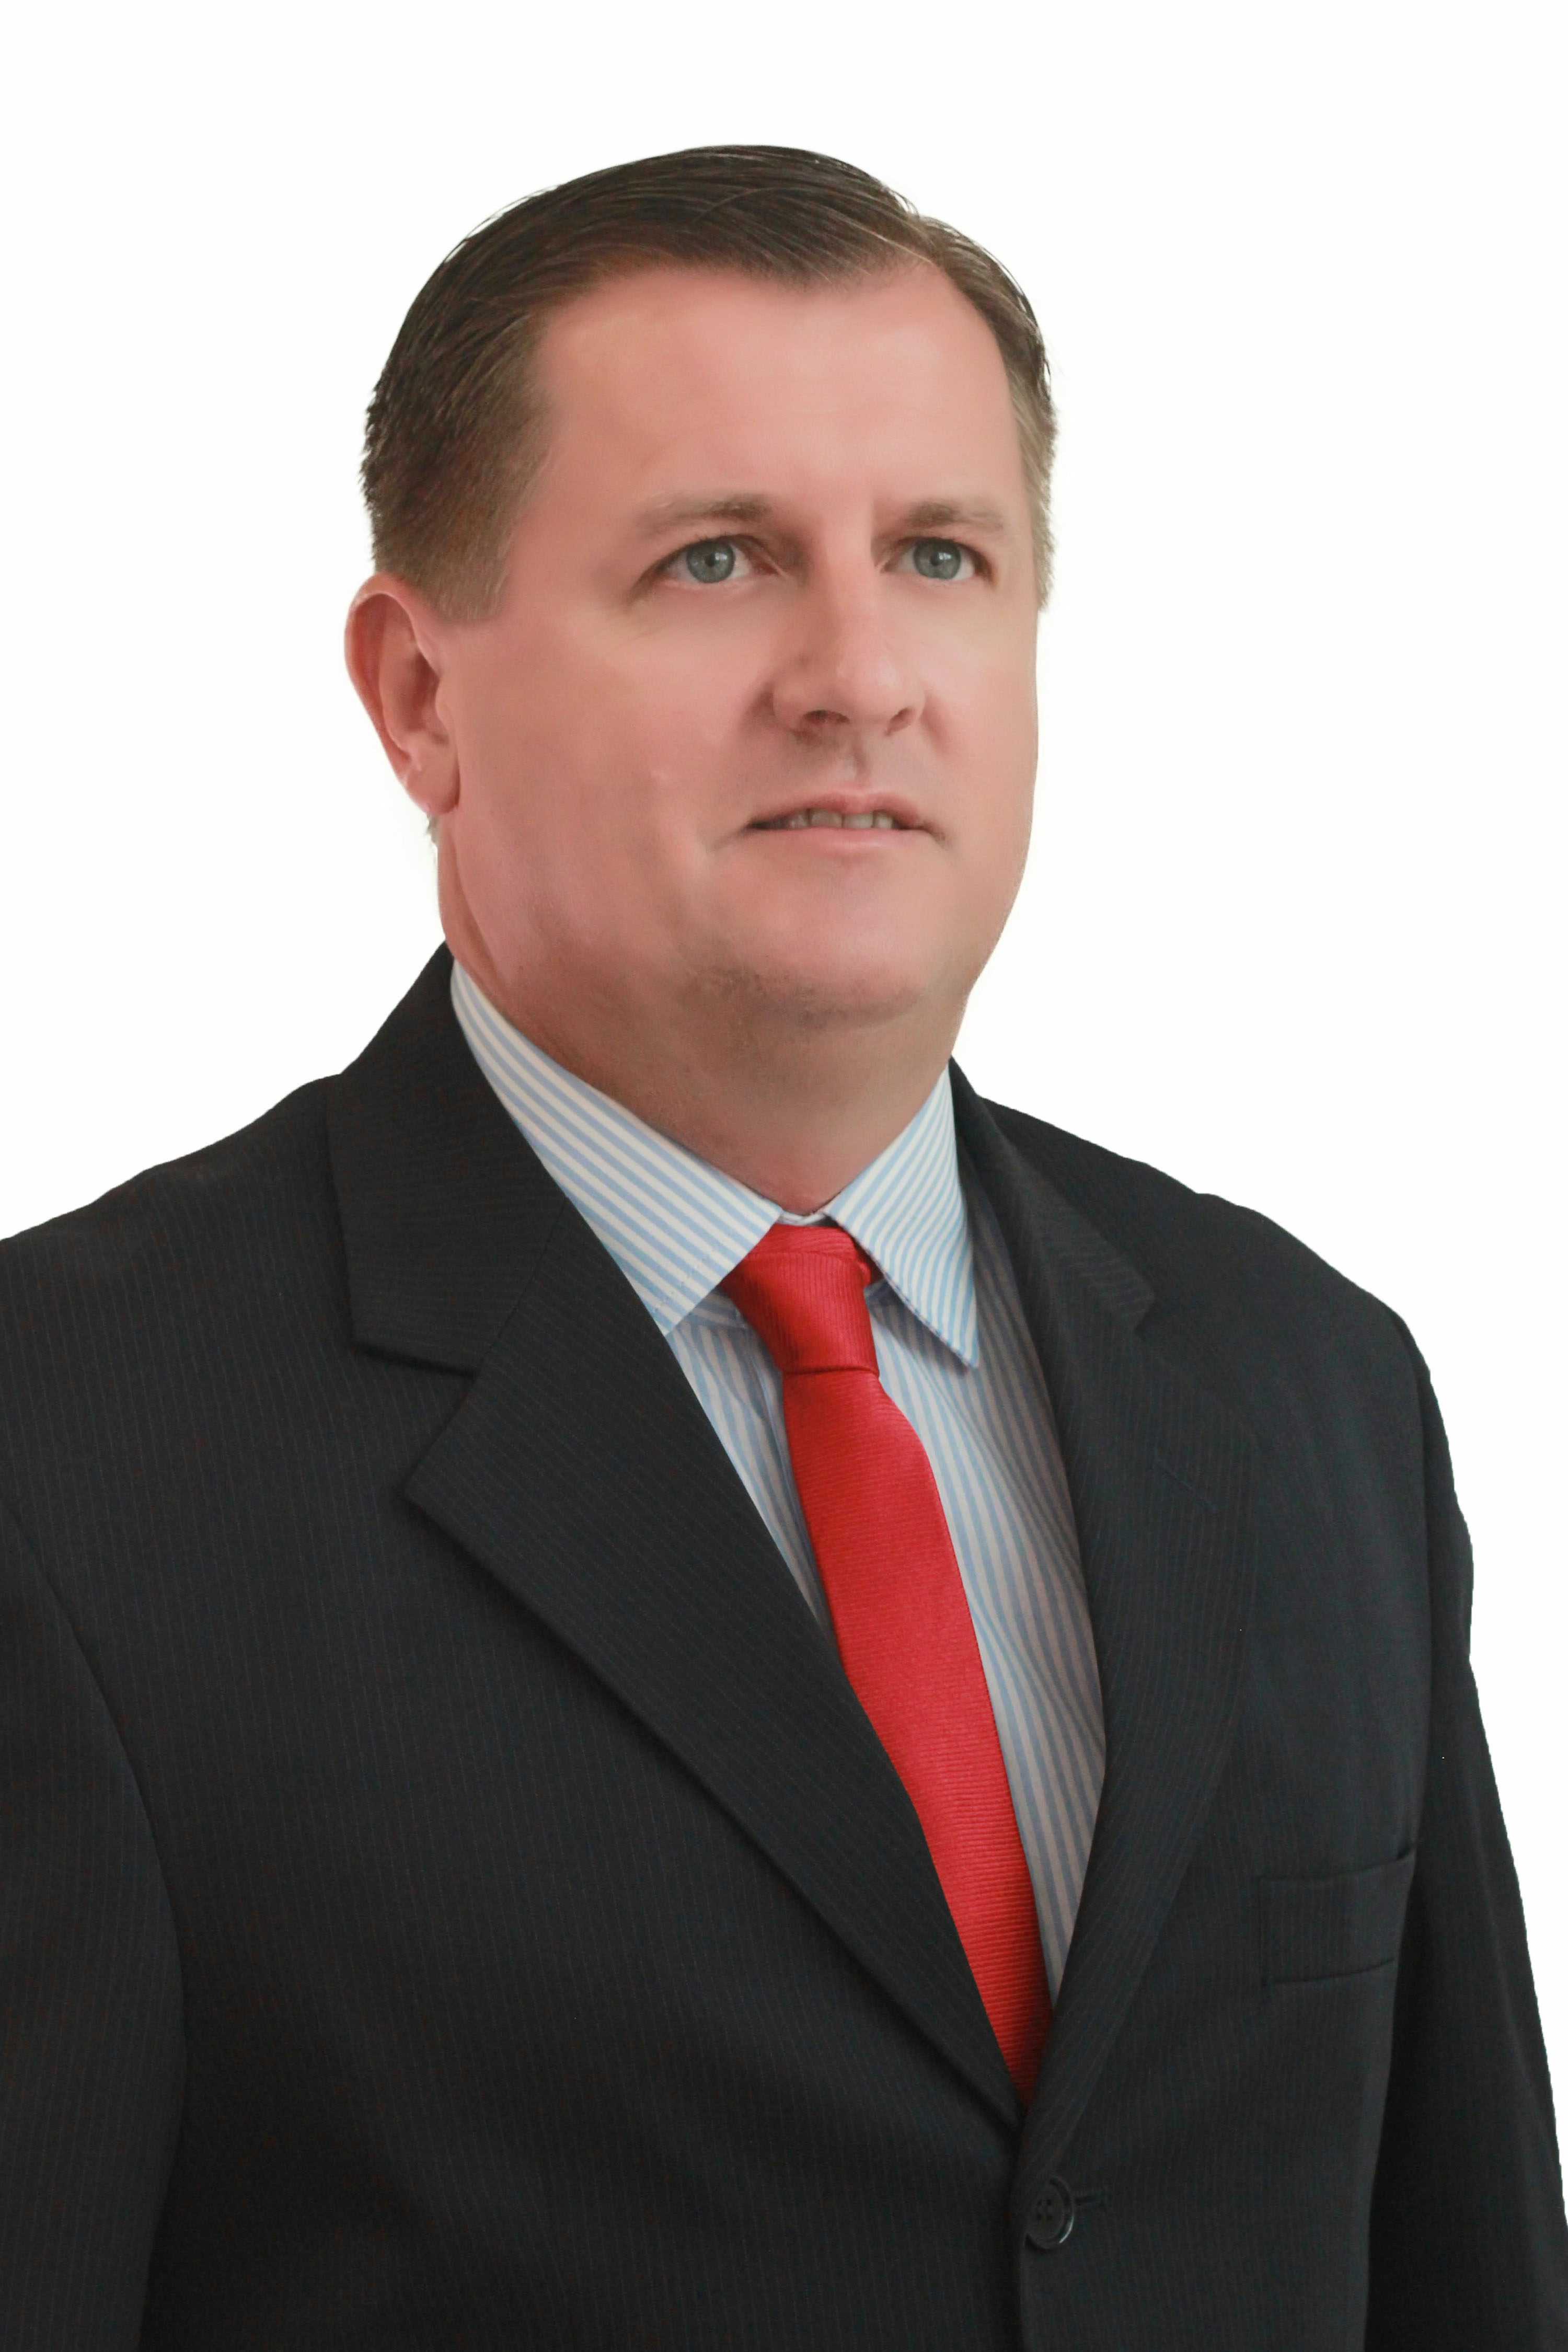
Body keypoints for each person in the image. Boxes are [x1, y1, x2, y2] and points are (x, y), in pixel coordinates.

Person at [0, 143, 1563, 2351]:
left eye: (939, 554)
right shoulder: (66, 1459)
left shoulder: (1309, 1381)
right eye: (716, 560)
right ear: (419, 695)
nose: (859, 674)